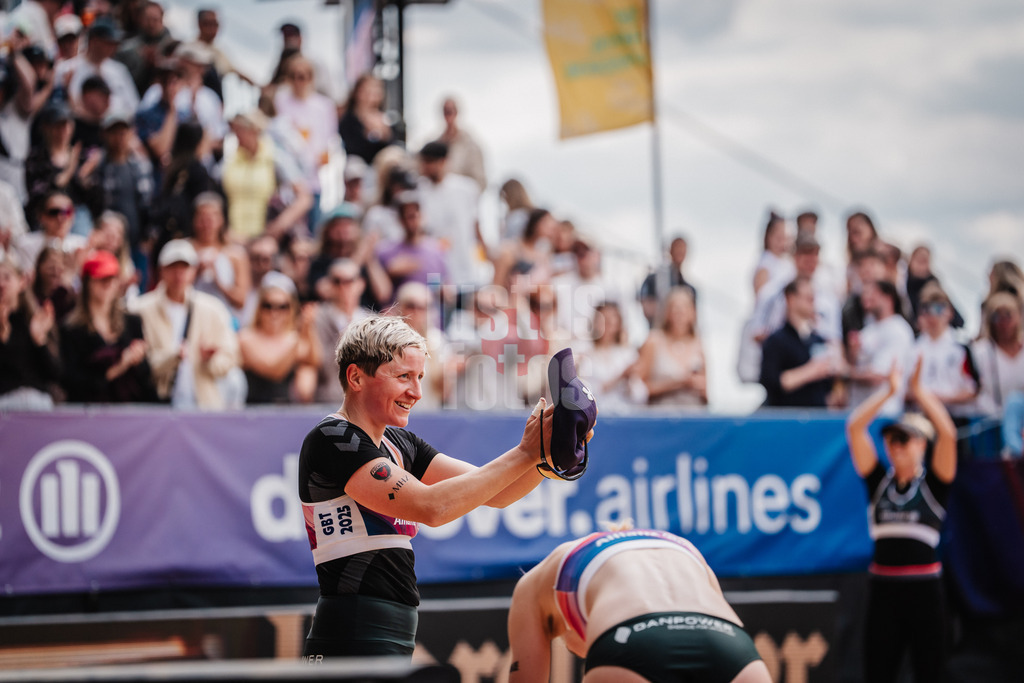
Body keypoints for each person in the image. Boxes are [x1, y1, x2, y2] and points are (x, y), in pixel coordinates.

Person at [297, 315, 594, 658]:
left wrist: (550, 455)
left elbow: (496, 493)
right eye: (404, 376)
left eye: (420, 377)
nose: (417, 392)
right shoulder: (334, 437)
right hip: (349, 632)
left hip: (390, 630)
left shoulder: (399, 442)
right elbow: (431, 508)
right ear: (355, 377)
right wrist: (528, 450)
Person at [506, 523, 770, 683]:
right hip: (730, 645)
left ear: (563, 621)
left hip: (631, 642)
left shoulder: (536, 582)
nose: (578, 650)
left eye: (566, 640)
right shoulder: (684, 548)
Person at [846, 359, 957, 683]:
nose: (896, 447)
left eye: (904, 440)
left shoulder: (934, 484)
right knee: (878, 673)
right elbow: (854, 426)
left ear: (922, 444)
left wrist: (919, 392)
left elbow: (948, 435)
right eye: (891, 440)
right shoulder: (878, 481)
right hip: (884, 591)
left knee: (930, 672)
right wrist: (889, 391)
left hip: (925, 593)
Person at [132, 239, 245, 410]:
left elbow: (231, 356)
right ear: (161, 270)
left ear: (194, 271)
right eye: (172, 267)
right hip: (157, 405)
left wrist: (210, 360)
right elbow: (139, 363)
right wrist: (173, 356)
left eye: (184, 267)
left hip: (203, 404)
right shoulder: (139, 309)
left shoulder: (213, 309)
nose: (179, 274)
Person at [60, 249, 158, 404]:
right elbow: (72, 380)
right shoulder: (72, 328)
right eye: (100, 279)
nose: (107, 285)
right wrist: (119, 366)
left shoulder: (132, 321)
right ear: (87, 282)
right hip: (89, 410)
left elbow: (146, 375)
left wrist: (138, 359)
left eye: (111, 278)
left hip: (129, 408)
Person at [760, 277, 847, 408]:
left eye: (813, 297)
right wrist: (811, 371)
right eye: (807, 297)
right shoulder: (775, 341)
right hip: (786, 418)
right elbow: (771, 381)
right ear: (791, 299)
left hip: (818, 418)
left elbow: (831, 388)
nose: (813, 301)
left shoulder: (819, 340)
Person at [238, 271, 319, 404]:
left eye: (282, 307)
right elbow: (273, 371)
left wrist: (308, 327)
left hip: (285, 413)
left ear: (291, 309)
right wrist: (298, 338)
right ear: (259, 307)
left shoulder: (293, 339)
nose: (274, 313)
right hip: (251, 413)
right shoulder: (246, 337)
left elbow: (312, 360)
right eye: (268, 306)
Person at [847, 279, 916, 416]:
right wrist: (852, 353)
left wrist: (844, 372)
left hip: (884, 412)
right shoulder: (867, 331)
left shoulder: (898, 329)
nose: (866, 297)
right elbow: (856, 365)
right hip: (858, 413)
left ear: (888, 297)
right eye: (864, 293)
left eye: (872, 292)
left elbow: (879, 376)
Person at [0, 255, 59, 410]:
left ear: (22, 281)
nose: (1, 284)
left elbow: (55, 374)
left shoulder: (34, 319)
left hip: (36, 401)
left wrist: (40, 341)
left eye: (6, 277)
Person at [311, 258, 372, 405]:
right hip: (328, 399)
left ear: (361, 284)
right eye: (337, 281)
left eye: (349, 281)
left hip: (366, 401)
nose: (344, 287)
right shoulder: (317, 318)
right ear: (329, 285)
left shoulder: (373, 321)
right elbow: (321, 364)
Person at [635, 286, 708, 407]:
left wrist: (699, 386)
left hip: (694, 414)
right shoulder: (653, 341)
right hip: (661, 415)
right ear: (667, 313)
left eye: (684, 309)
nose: (680, 314)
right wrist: (679, 383)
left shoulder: (698, 344)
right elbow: (638, 388)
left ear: (693, 313)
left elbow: (707, 394)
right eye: (676, 309)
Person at [970, 292, 1024, 416]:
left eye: (1008, 315)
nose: (1003, 322)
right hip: (990, 419)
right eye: (997, 316)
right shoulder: (980, 352)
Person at [638, 235, 698, 329]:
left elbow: (693, 319)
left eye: (682, 249)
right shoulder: (653, 280)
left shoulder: (690, 289)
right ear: (670, 251)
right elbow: (647, 309)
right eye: (677, 248)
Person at [338, 73, 394, 165]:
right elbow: (350, 149)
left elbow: (390, 146)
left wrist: (385, 135)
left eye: (375, 92)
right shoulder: (348, 119)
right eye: (367, 91)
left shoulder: (384, 118)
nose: (371, 96)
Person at [432, 96, 486, 192]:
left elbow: (480, 182)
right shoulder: (434, 145)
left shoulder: (471, 147)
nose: (448, 116)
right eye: (445, 112)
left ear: (456, 112)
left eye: (450, 111)